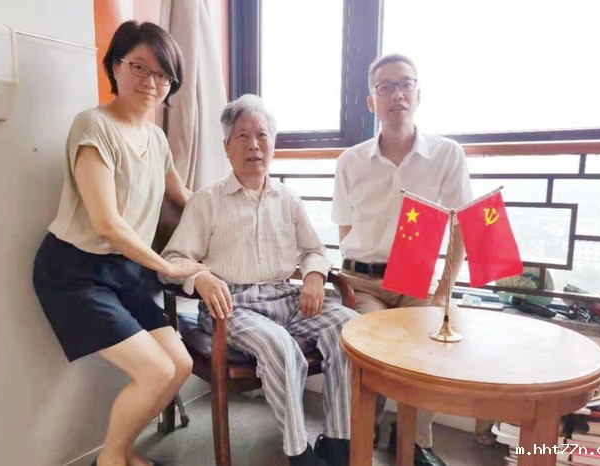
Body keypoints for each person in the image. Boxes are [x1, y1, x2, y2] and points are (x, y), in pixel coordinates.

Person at [32, 21, 208, 466]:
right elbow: (107, 224)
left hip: (125, 271)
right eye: (139, 67)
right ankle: (111, 459)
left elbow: (184, 198)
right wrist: (167, 267)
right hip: (74, 272)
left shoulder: (157, 137)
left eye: (162, 74)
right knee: (155, 371)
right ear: (115, 66)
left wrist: (231, 220)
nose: (151, 82)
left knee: (180, 365)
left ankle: (120, 453)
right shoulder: (94, 125)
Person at [161, 94, 358, 466]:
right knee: (279, 345)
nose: (254, 144)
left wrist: (315, 276)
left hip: (285, 298)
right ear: (227, 147)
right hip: (231, 305)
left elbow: (313, 250)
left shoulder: (288, 199)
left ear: (273, 144)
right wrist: (200, 277)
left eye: (262, 135)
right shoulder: (207, 201)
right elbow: (172, 260)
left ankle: (338, 443)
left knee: (350, 329)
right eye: (242, 136)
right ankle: (299, 453)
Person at [331, 54, 473, 466]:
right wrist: (358, 275)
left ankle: (413, 440)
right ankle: (366, 426)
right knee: (368, 346)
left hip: (417, 280)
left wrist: (443, 290)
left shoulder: (446, 154)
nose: (397, 94)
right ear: (371, 100)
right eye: (386, 87)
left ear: (418, 94)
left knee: (437, 339)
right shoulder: (350, 161)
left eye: (405, 84)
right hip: (363, 282)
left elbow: (463, 225)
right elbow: (345, 230)